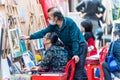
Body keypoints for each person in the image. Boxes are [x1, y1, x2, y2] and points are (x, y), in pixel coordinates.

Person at [20, 7, 88, 80]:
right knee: (71, 70)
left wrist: (75, 54)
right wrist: (29, 37)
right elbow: (43, 32)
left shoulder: (69, 22)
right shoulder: (53, 26)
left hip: (80, 45)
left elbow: (75, 39)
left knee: (79, 70)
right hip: (69, 47)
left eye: (49, 17)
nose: (48, 19)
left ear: (56, 17)